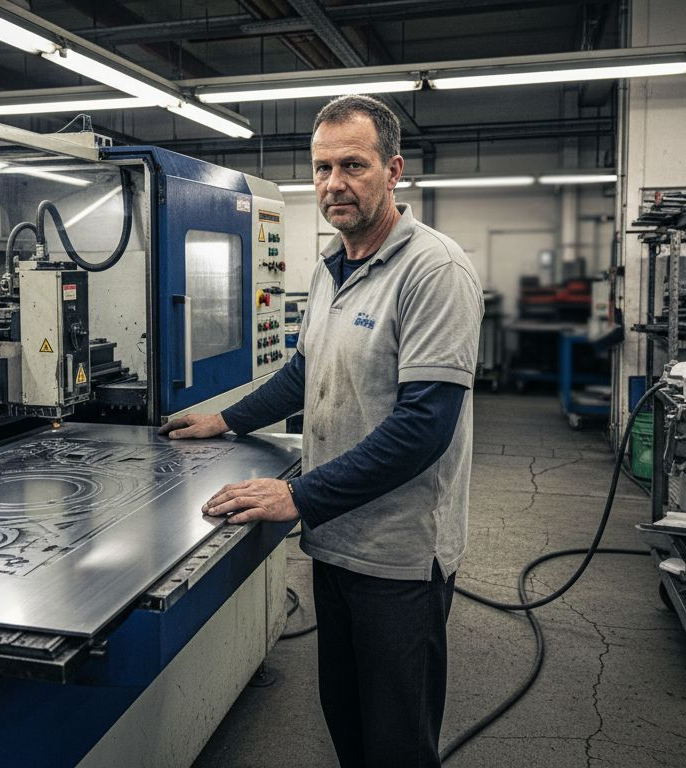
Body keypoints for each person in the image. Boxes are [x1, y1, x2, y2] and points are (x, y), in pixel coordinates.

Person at [160, 94, 483, 767]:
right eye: (322, 168)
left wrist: (297, 495)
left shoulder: (435, 270)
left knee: (396, 744)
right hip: (335, 540)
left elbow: (423, 428)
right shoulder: (331, 266)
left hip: (398, 557)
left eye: (353, 165)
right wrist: (225, 419)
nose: (334, 183)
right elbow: (303, 374)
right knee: (346, 720)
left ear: (393, 170)